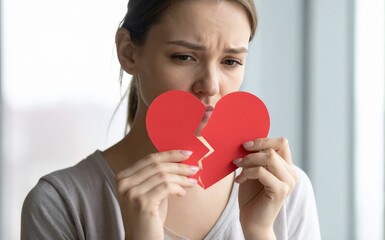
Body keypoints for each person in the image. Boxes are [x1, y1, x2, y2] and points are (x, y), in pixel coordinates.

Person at [21, 0, 321, 239]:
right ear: (129, 52)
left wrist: (259, 233)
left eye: (231, 61)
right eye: (184, 57)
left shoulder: (283, 191)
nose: (211, 85)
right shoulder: (60, 203)